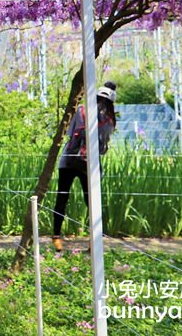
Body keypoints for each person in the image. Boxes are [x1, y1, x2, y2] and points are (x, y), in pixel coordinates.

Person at [52, 81, 117, 252]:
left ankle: (56, 238)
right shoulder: (109, 120)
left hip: (68, 160)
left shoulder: (81, 110)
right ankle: (93, 242)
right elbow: (102, 147)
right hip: (88, 164)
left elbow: (69, 133)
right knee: (92, 202)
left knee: (62, 197)